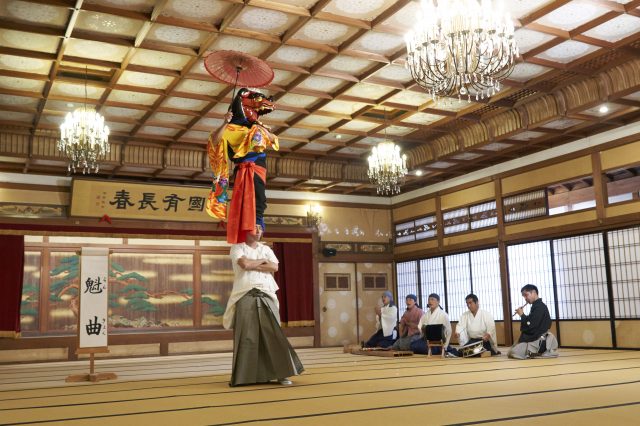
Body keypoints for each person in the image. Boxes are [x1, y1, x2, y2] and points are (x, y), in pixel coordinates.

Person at [223, 225, 304, 386]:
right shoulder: (237, 247)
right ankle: (244, 377)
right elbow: (244, 264)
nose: (259, 231)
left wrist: (255, 264)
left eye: (261, 229)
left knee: (273, 334)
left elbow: (274, 267)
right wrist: (262, 262)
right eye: (255, 228)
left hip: (267, 293)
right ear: (246, 230)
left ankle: (282, 374)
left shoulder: (266, 248)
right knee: (247, 336)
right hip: (245, 294)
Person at [207, 88, 278, 244]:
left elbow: (274, 140)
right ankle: (251, 229)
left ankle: (258, 225)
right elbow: (215, 140)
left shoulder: (257, 127)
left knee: (260, 198)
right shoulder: (230, 129)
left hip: (259, 165)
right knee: (247, 200)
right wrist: (225, 122)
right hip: (244, 166)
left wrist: (261, 130)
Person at [508, 284, 559, 359]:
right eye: (524, 296)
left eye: (526, 295)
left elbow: (531, 326)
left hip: (539, 340)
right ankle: (532, 352)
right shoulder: (536, 306)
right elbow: (530, 323)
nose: (525, 298)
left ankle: (537, 352)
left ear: (534, 293)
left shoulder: (540, 307)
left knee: (514, 352)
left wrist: (522, 315)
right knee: (511, 351)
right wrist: (524, 316)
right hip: (535, 337)